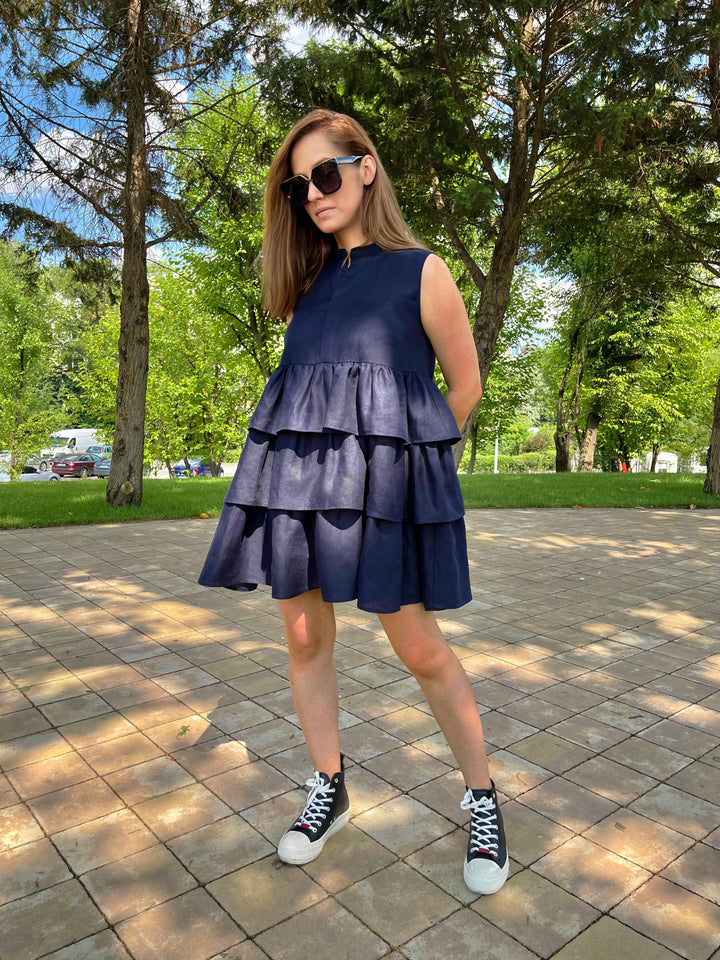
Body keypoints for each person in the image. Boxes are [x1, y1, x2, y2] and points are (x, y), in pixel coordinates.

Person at [199, 109, 508, 896]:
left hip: (384, 492)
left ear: (366, 167)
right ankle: (329, 788)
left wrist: (417, 471)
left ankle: (481, 798)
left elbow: (463, 386)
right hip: (299, 485)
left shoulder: (422, 270)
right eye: (298, 186)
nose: (312, 194)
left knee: (421, 650)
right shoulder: (305, 285)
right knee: (305, 636)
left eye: (325, 174)